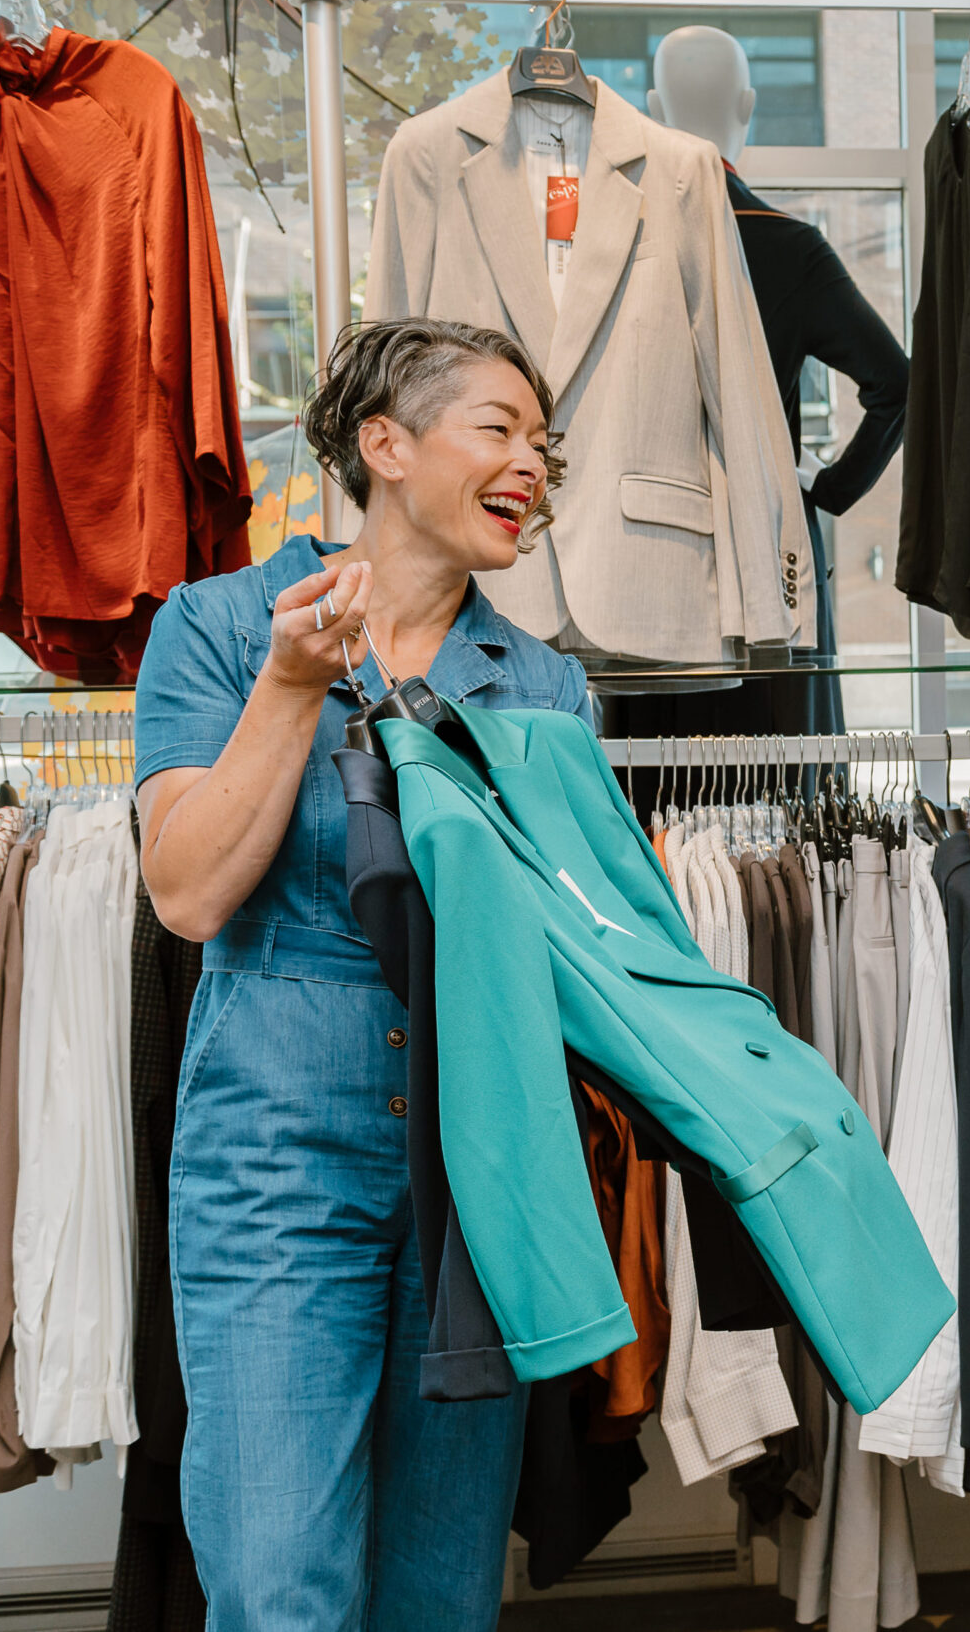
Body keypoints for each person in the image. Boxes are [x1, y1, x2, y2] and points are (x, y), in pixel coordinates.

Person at [134, 319, 597, 1628]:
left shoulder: (544, 687)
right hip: (276, 1173)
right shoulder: (221, 628)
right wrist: (292, 687)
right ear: (384, 444)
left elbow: (572, 948)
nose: (533, 467)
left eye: (545, 445)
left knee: (439, 1593)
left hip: (477, 1181)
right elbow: (189, 892)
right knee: (278, 1584)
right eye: (500, 429)